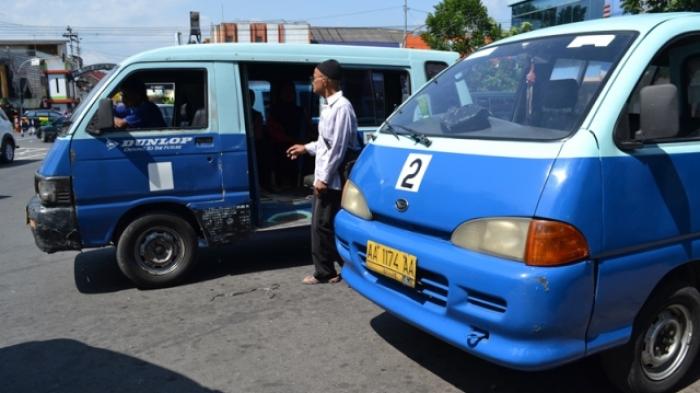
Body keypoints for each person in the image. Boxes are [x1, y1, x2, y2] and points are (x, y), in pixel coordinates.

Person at [286, 59, 360, 285]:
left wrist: (323, 179)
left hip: (332, 179)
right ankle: (343, 268)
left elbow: (338, 148)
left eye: (314, 77)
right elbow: (325, 143)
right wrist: (305, 148)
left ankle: (326, 271)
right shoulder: (328, 106)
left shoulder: (342, 107)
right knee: (326, 225)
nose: (312, 82)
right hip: (326, 176)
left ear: (325, 81)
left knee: (321, 225)